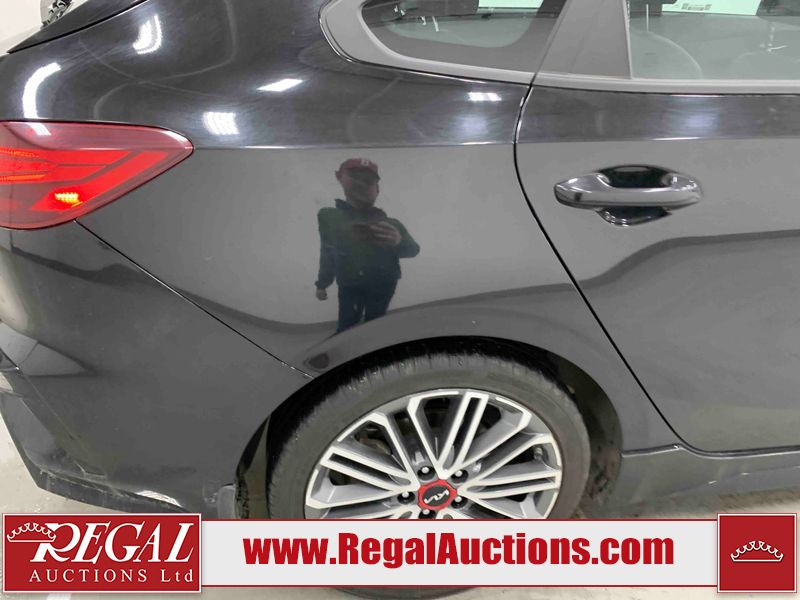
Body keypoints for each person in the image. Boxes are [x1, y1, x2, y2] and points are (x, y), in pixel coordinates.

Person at [315, 158, 420, 333]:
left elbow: (414, 250)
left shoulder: (392, 224)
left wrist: (398, 242)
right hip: (351, 284)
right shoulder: (328, 216)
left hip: (382, 284)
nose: (361, 184)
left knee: (374, 325)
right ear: (340, 178)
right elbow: (327, 252)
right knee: (347, 326)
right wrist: (322, 283)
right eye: (355, 177)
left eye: (368, 181)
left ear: (377, 190)